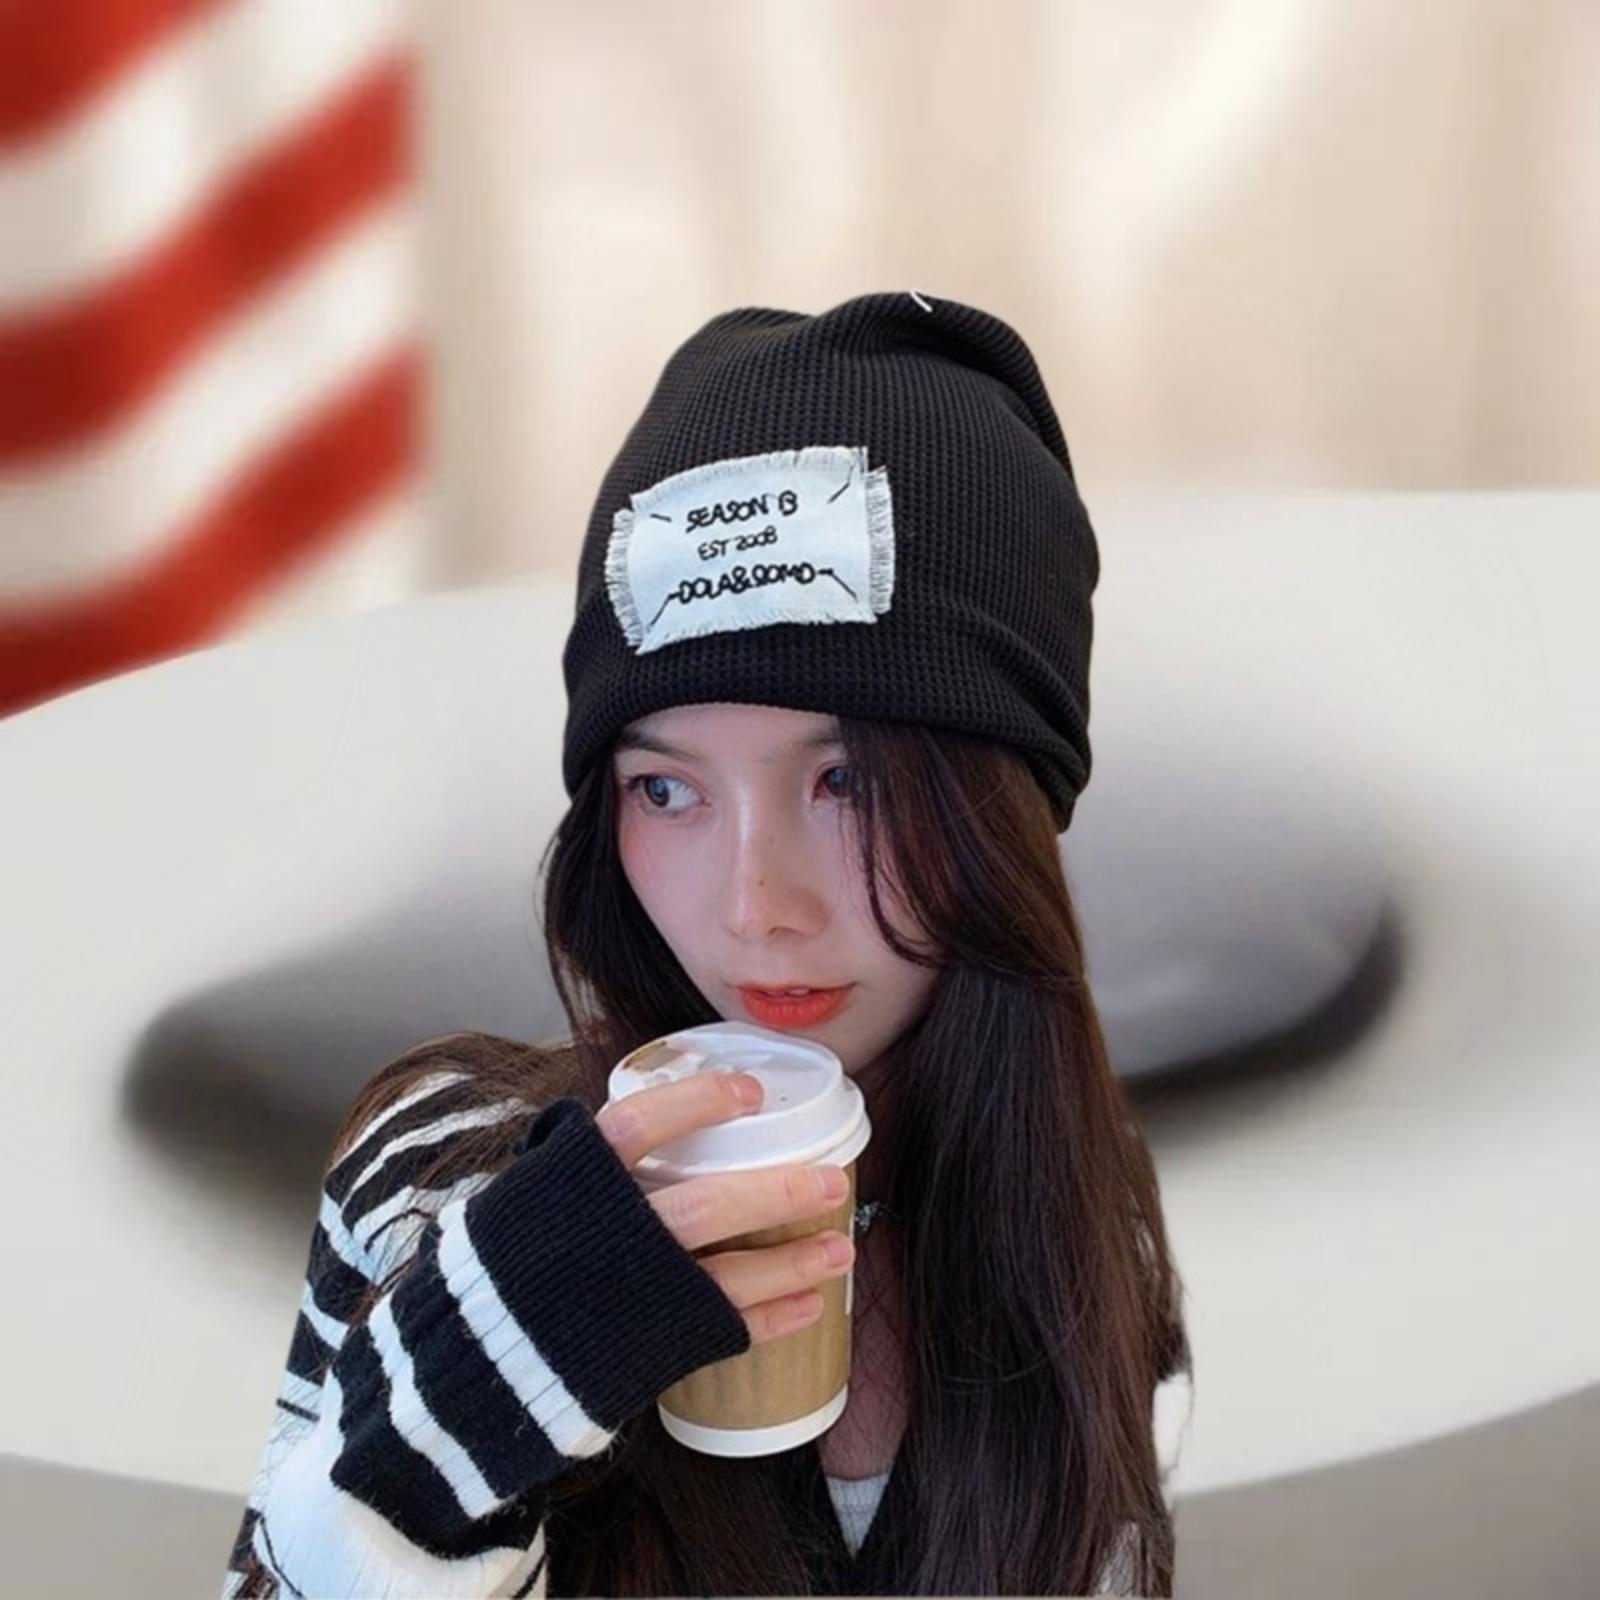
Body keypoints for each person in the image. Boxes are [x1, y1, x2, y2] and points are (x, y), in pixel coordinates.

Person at [219, 290, 1195, 1598]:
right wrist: (489, 1368)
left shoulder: (1081, 1219)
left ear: (1003, 813)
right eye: (667, 788)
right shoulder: (442, 1176)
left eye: (846, 781)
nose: (753, 905)